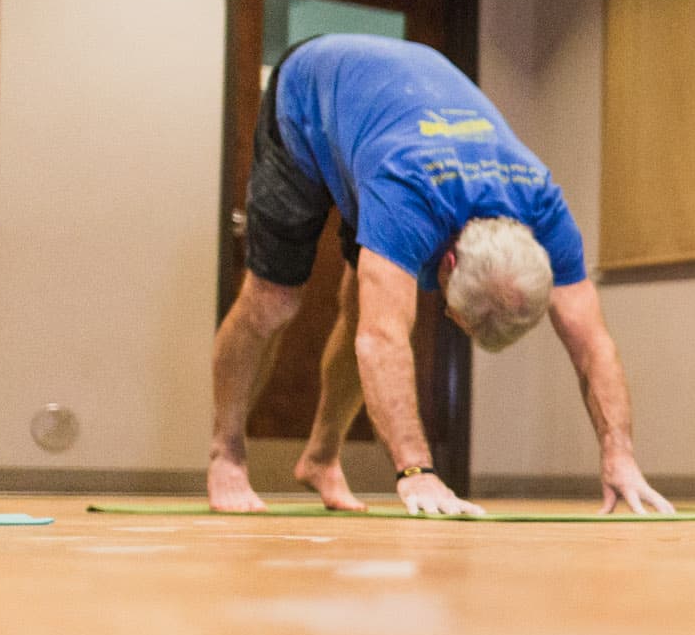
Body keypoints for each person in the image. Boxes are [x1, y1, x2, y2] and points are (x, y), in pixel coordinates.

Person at [210, 33, 670, 518]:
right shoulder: (407, 193)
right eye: (454, 314)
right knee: (274, 300)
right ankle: (227, 454)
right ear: (446, 263)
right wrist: (416, 472)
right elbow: (381, 341)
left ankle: (320, 458)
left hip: (395, 106)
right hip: (310, 93)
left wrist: (620, 456)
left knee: (363, 303)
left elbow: (593, 344)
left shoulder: (542, 205)